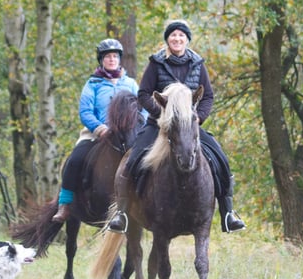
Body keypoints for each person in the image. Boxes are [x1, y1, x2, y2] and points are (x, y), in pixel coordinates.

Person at [108, 19, 246, 234]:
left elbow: (207, 95)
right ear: (168, 40)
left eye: (181, 35)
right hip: (159, 124)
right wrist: (161, 113)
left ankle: (228, 213)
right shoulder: (156, 63)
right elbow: (143, 93)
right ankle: (122, 213)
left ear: (187, 40)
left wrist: (198, 117)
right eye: (173, 35)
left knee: (220, 158)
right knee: (132, 159)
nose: (177, 38)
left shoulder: (198, 64)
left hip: (188, 126)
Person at [52, 38, 141, 223]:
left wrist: (140, 126)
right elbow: (85, 111)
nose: (112, 59)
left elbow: (143, 109)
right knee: (74, 160)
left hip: (128, 134)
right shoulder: (93, 84)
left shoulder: (131, 84)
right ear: (101, 60)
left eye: (115, 56)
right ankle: (65, 204)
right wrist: (100, 128)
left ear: (120, 59)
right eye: (108, 56)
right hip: (98, 133)